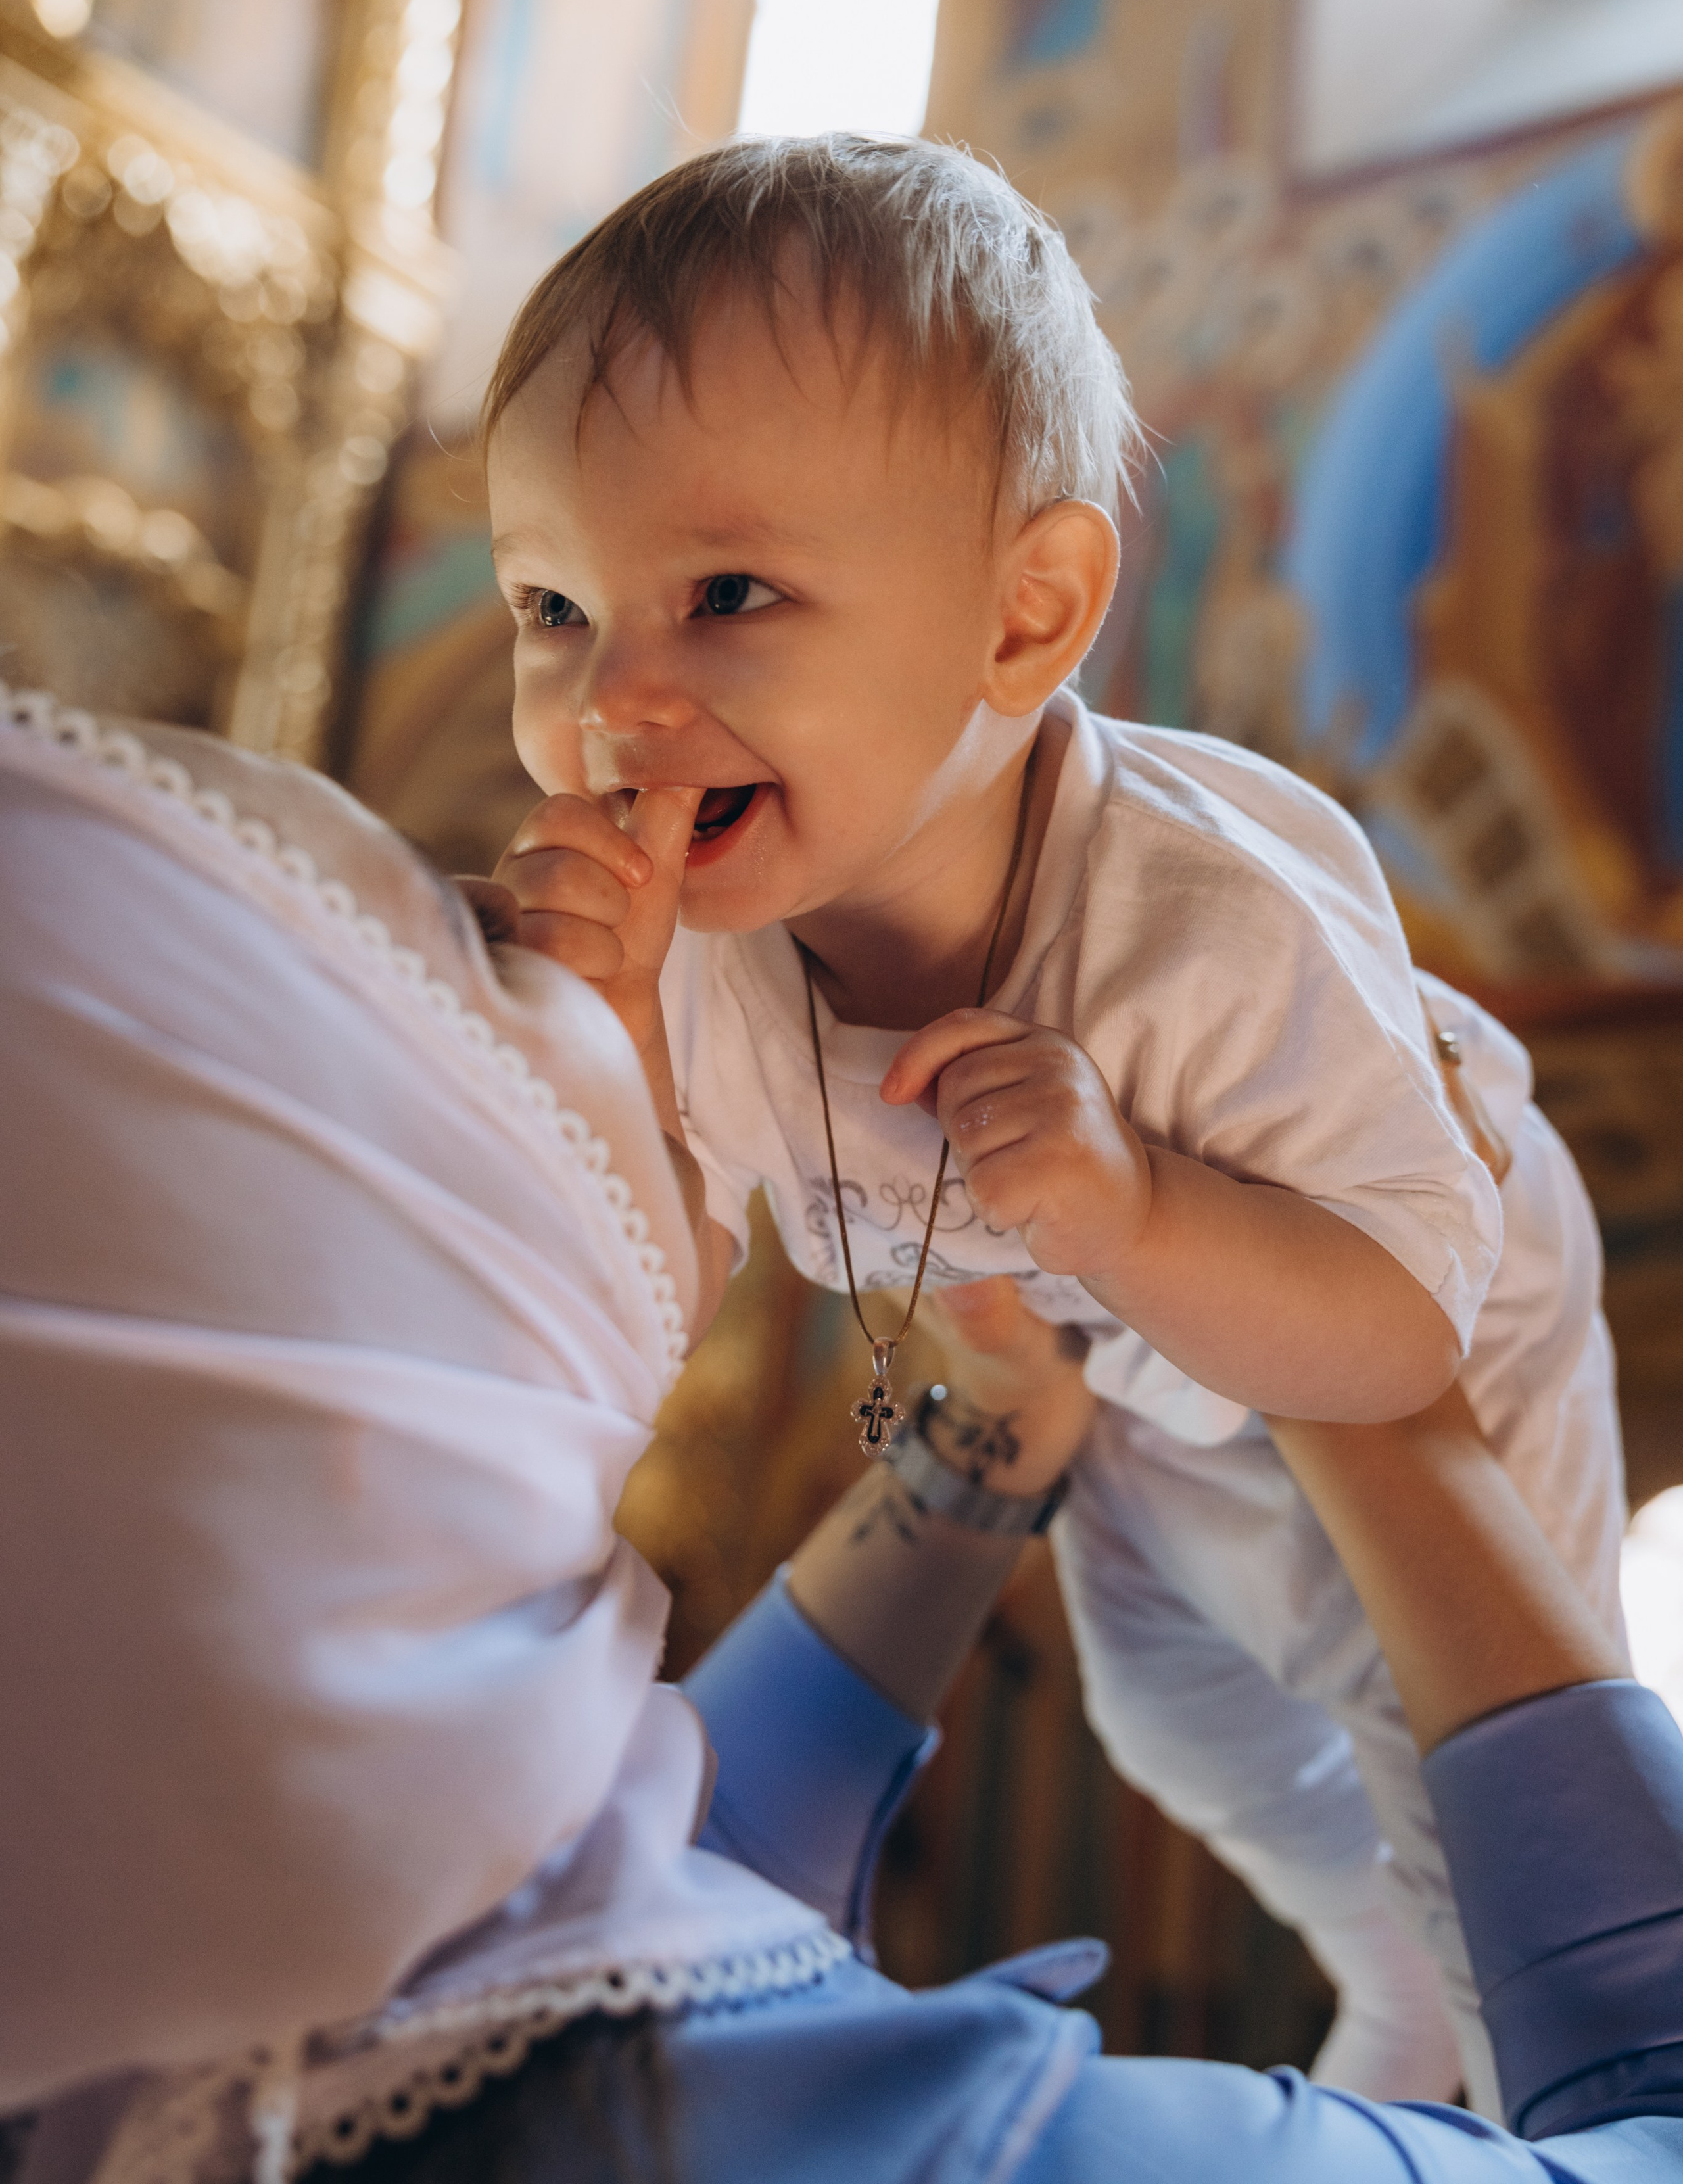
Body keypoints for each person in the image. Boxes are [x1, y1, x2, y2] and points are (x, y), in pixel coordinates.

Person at [0, 679, 1680, 2184]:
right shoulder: (890, 2150)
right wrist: (1343, 1363)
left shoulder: (185, 1938)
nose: (563, 962)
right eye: (464, 961)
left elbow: (714, 1821)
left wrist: (998, 1416)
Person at [477, 133, 1626, 2106]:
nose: (617, 703)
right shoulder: (723, 952)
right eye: (556, 606)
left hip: (1405, 1309)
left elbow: (1397, 1336)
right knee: (1182, 1728)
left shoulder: (1204, 923)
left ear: (1024, 621)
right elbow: (645, 1289)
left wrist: (1140, 1207)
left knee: (1449, 1757)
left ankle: (1493, 2065)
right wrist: (611, 1067)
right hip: (1139, 1361)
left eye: (725, 594)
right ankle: (1376, 1959)